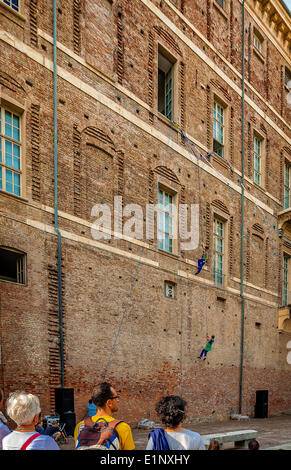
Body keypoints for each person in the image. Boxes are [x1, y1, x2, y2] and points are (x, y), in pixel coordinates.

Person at [74, 382, 135, 450]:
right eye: (116, 397)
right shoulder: (122, 427)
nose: (118, 400)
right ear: (109, 403)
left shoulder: (80, 426)